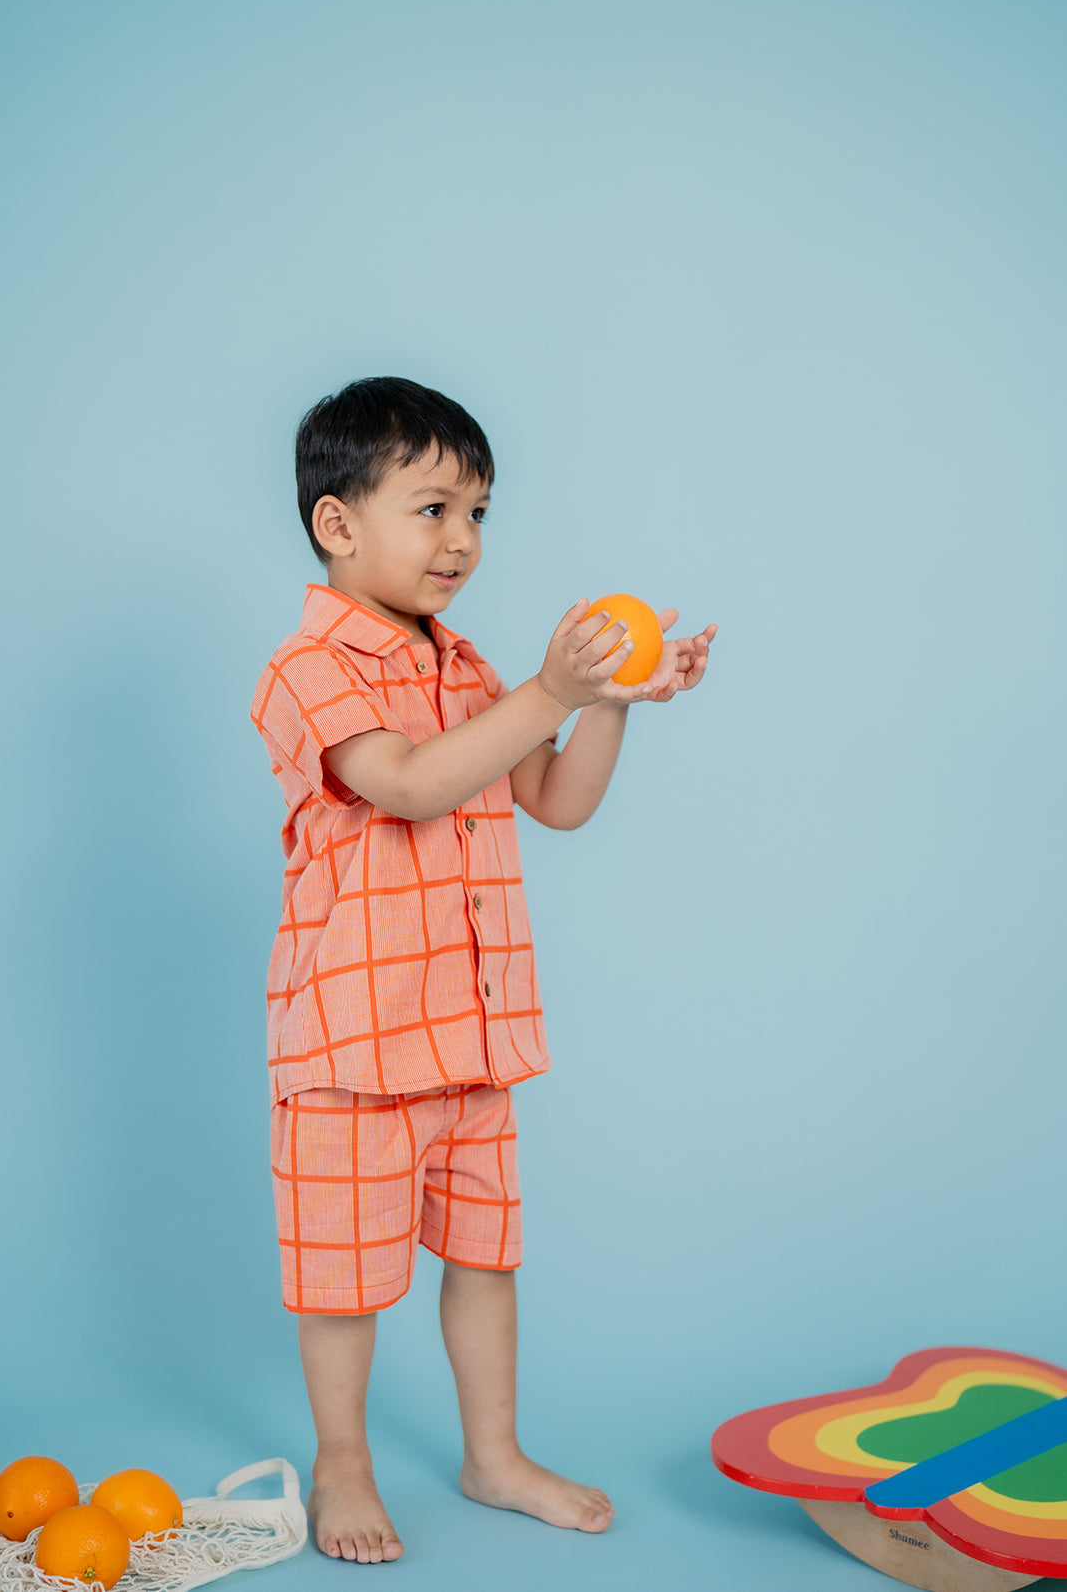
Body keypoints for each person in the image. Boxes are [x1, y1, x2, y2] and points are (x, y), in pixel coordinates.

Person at [250, 376, 717, 1565]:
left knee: (484, 1257)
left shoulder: (464, 666)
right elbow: (408, 785)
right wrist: (550, 688)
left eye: (478, 514)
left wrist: (606, 702)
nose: (461, 539)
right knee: (343, 1281)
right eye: (433, 508)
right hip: (354, 1043)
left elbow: (554, 799)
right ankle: (343, 1461)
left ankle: (492, 1455)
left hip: (469, 1033)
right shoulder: (307, 665)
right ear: (336, 523)